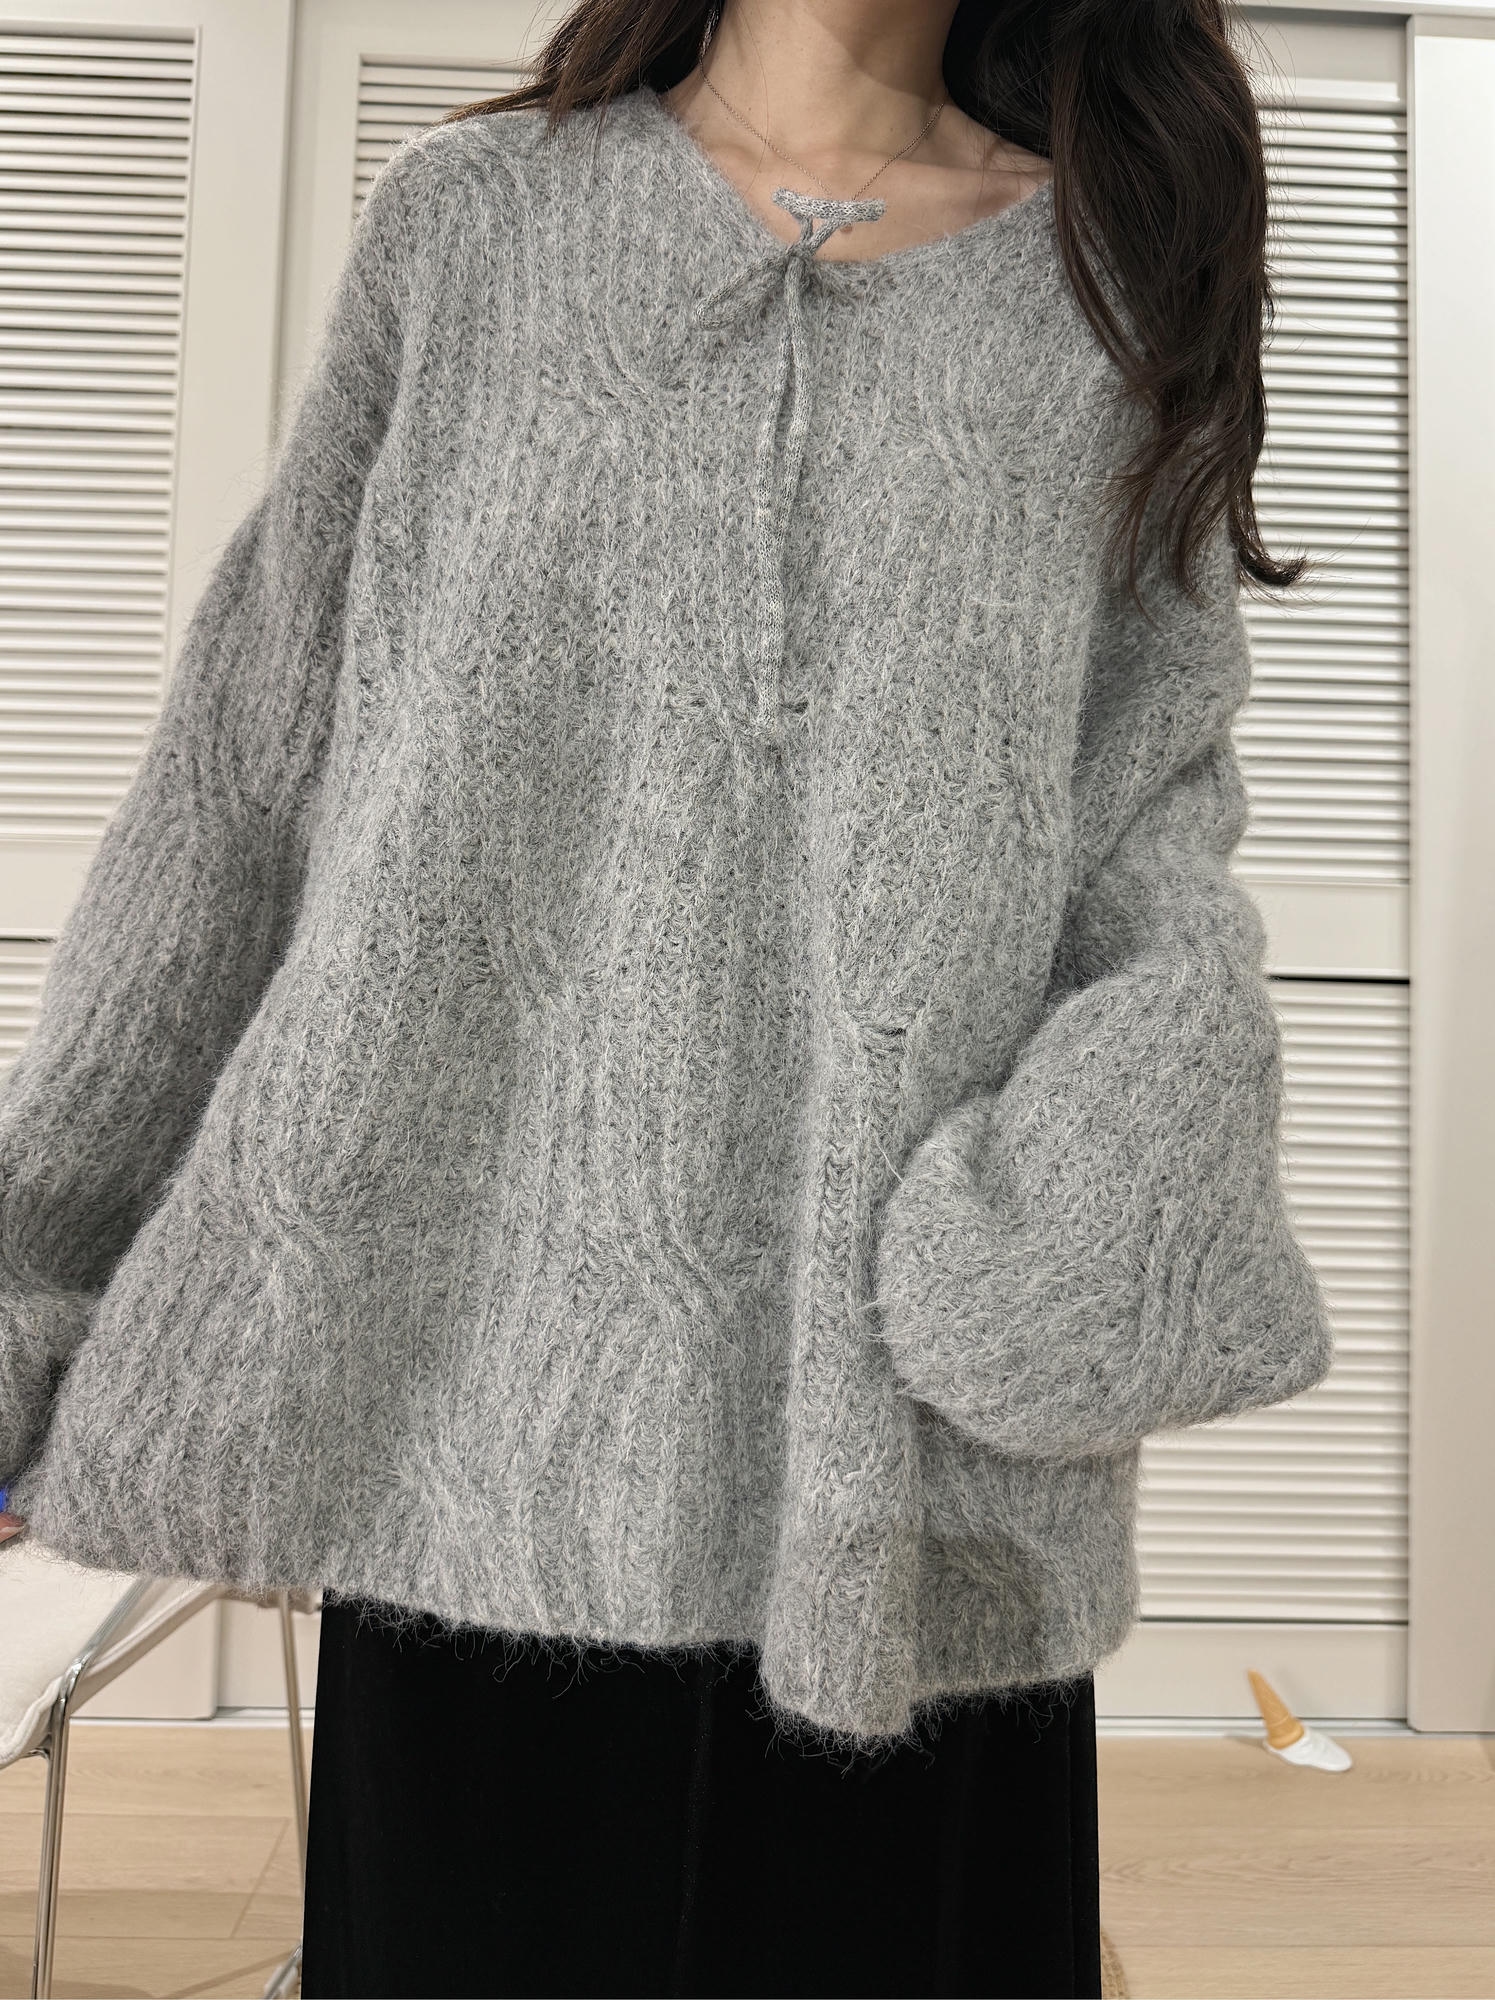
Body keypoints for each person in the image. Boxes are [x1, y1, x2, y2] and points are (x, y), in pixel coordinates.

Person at [0, 0, 1336, 1992]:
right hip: (465, 1415)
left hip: (900, 1450)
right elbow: (248, 776)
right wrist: (34, 1275)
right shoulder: (473, 222)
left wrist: (1098, 1180)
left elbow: (1148, 821)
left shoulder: (1106, 284)